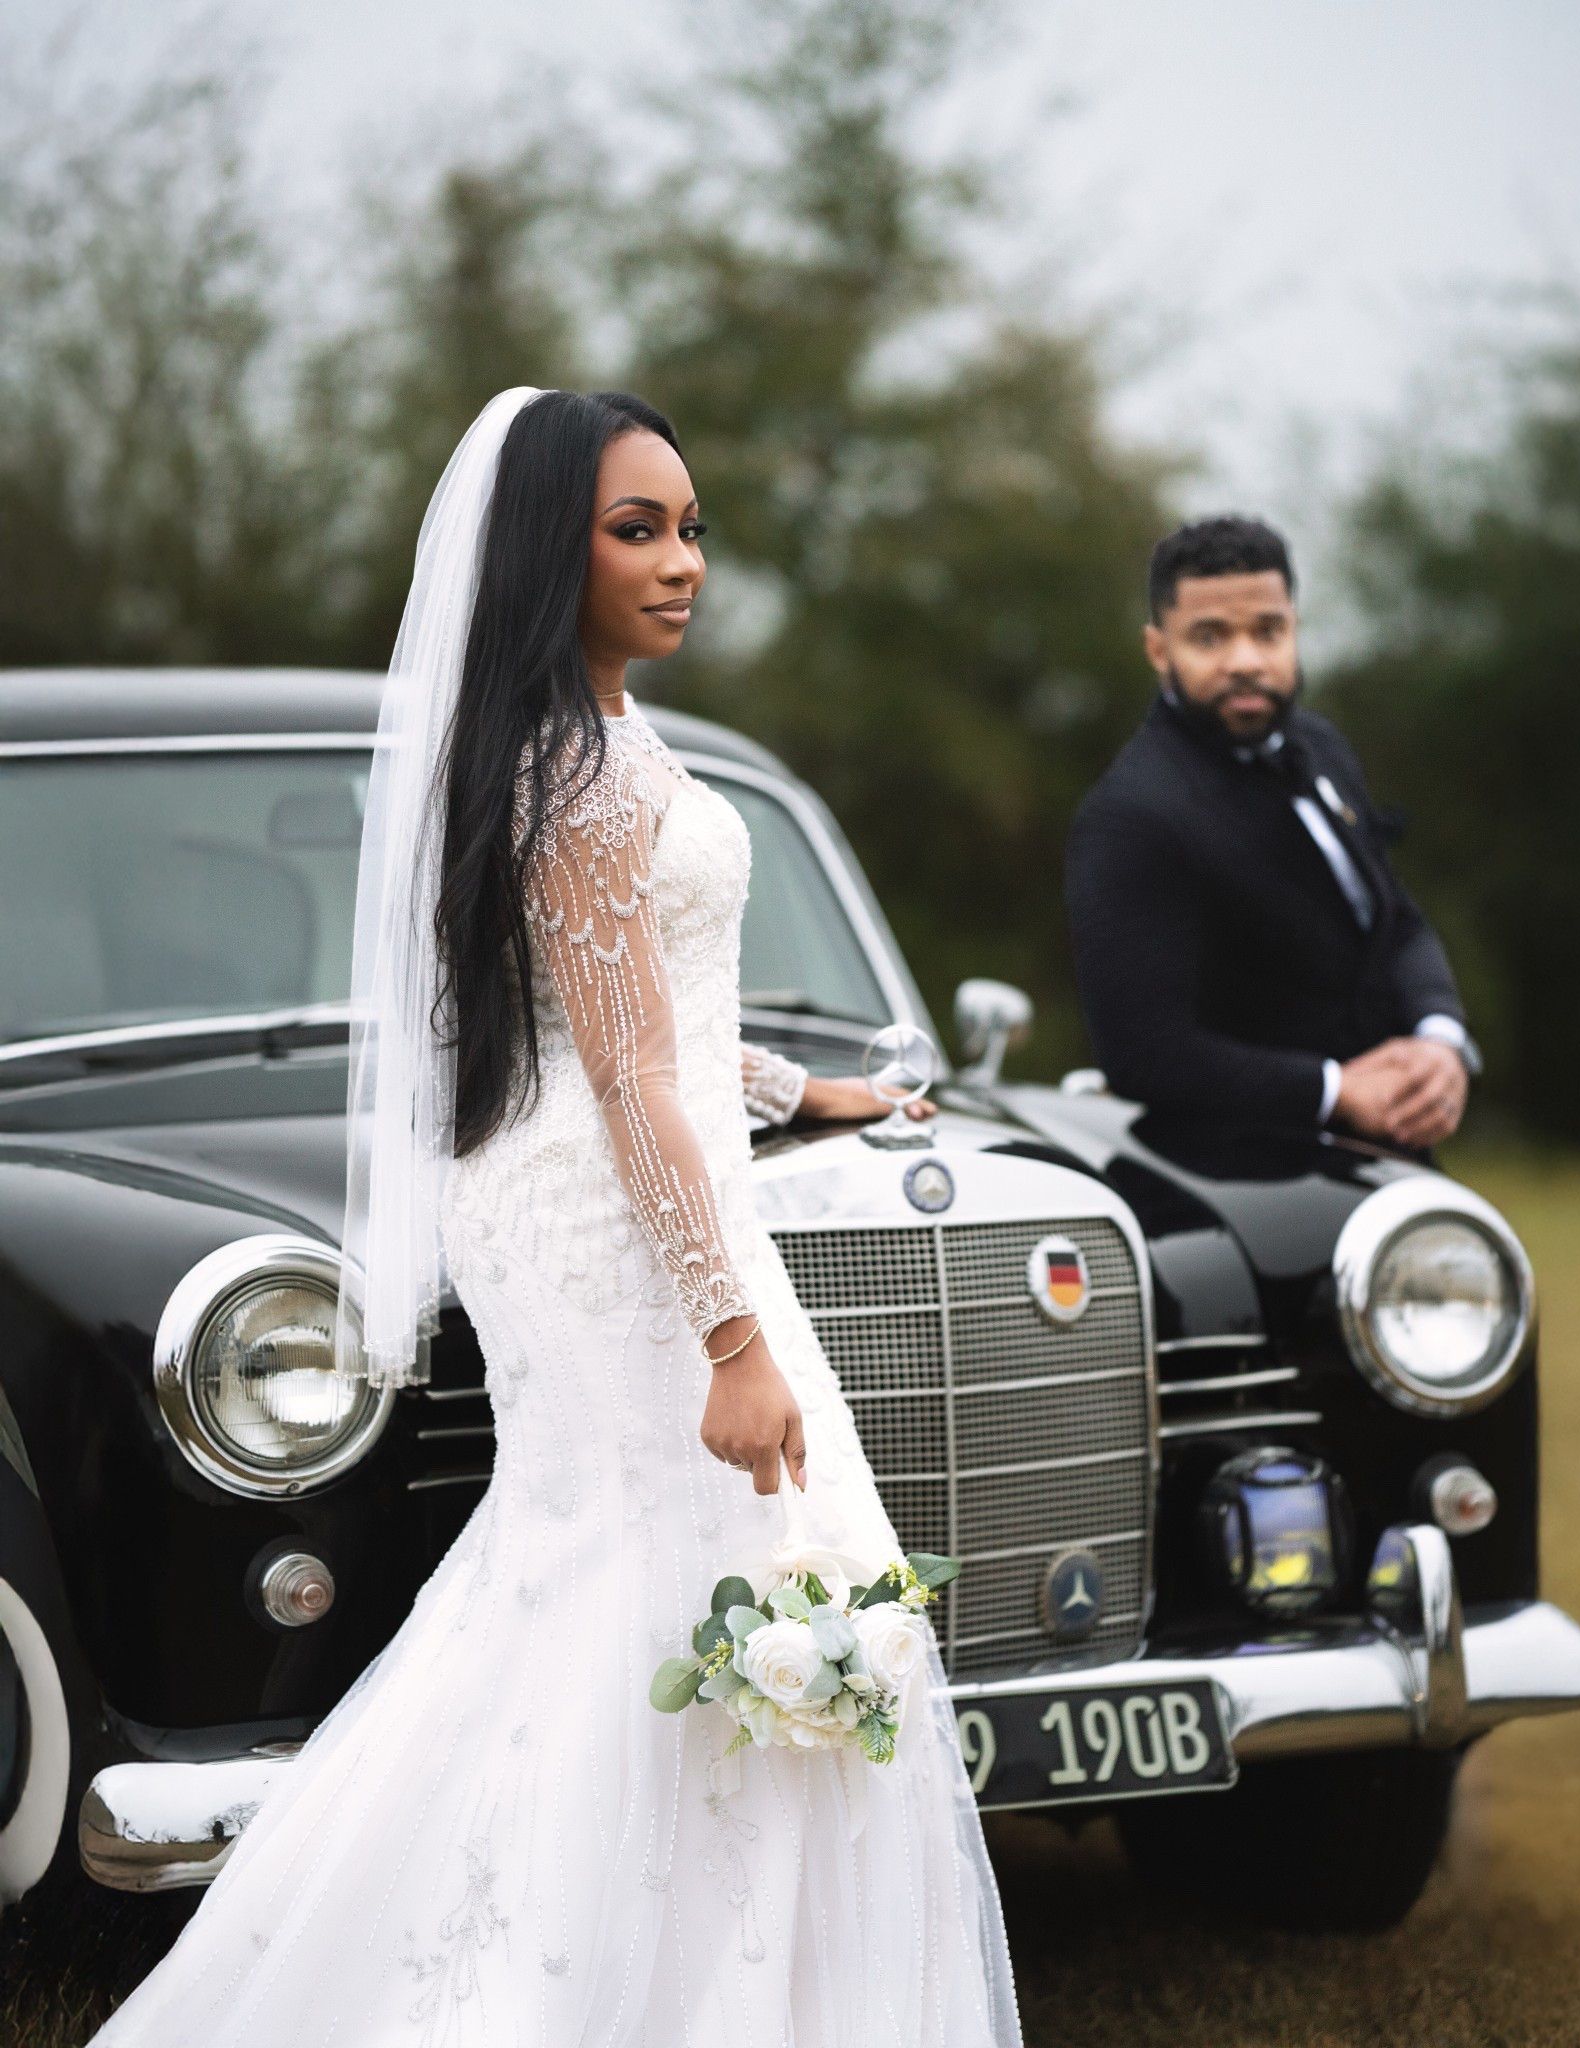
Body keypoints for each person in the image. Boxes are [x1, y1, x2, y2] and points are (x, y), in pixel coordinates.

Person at [90, 390, 1019, 2046]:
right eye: (635, 530)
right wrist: (731, 1336)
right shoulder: (571, 774)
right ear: (545, 550)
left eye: (692, 529)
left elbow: (644, 1021)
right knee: (643, 1568)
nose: (683, 562)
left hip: (628, 1181)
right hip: (607, 1229)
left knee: (671, 1569)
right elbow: (625, 1074)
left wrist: (798, 1089)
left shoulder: (602, 739)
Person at [1066, 515, 1478, 1151]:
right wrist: (1335, 1090)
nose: (1246, 661)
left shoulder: (1323, 746)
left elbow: (1393, 921)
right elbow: (1144, 1053)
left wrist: (1440, 1040)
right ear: (1159, 651)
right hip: (1242, 1180)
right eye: (1209, 637)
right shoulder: (1131, 814)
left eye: (1268, 631)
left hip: (1393, 1157)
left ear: (1294, 629)